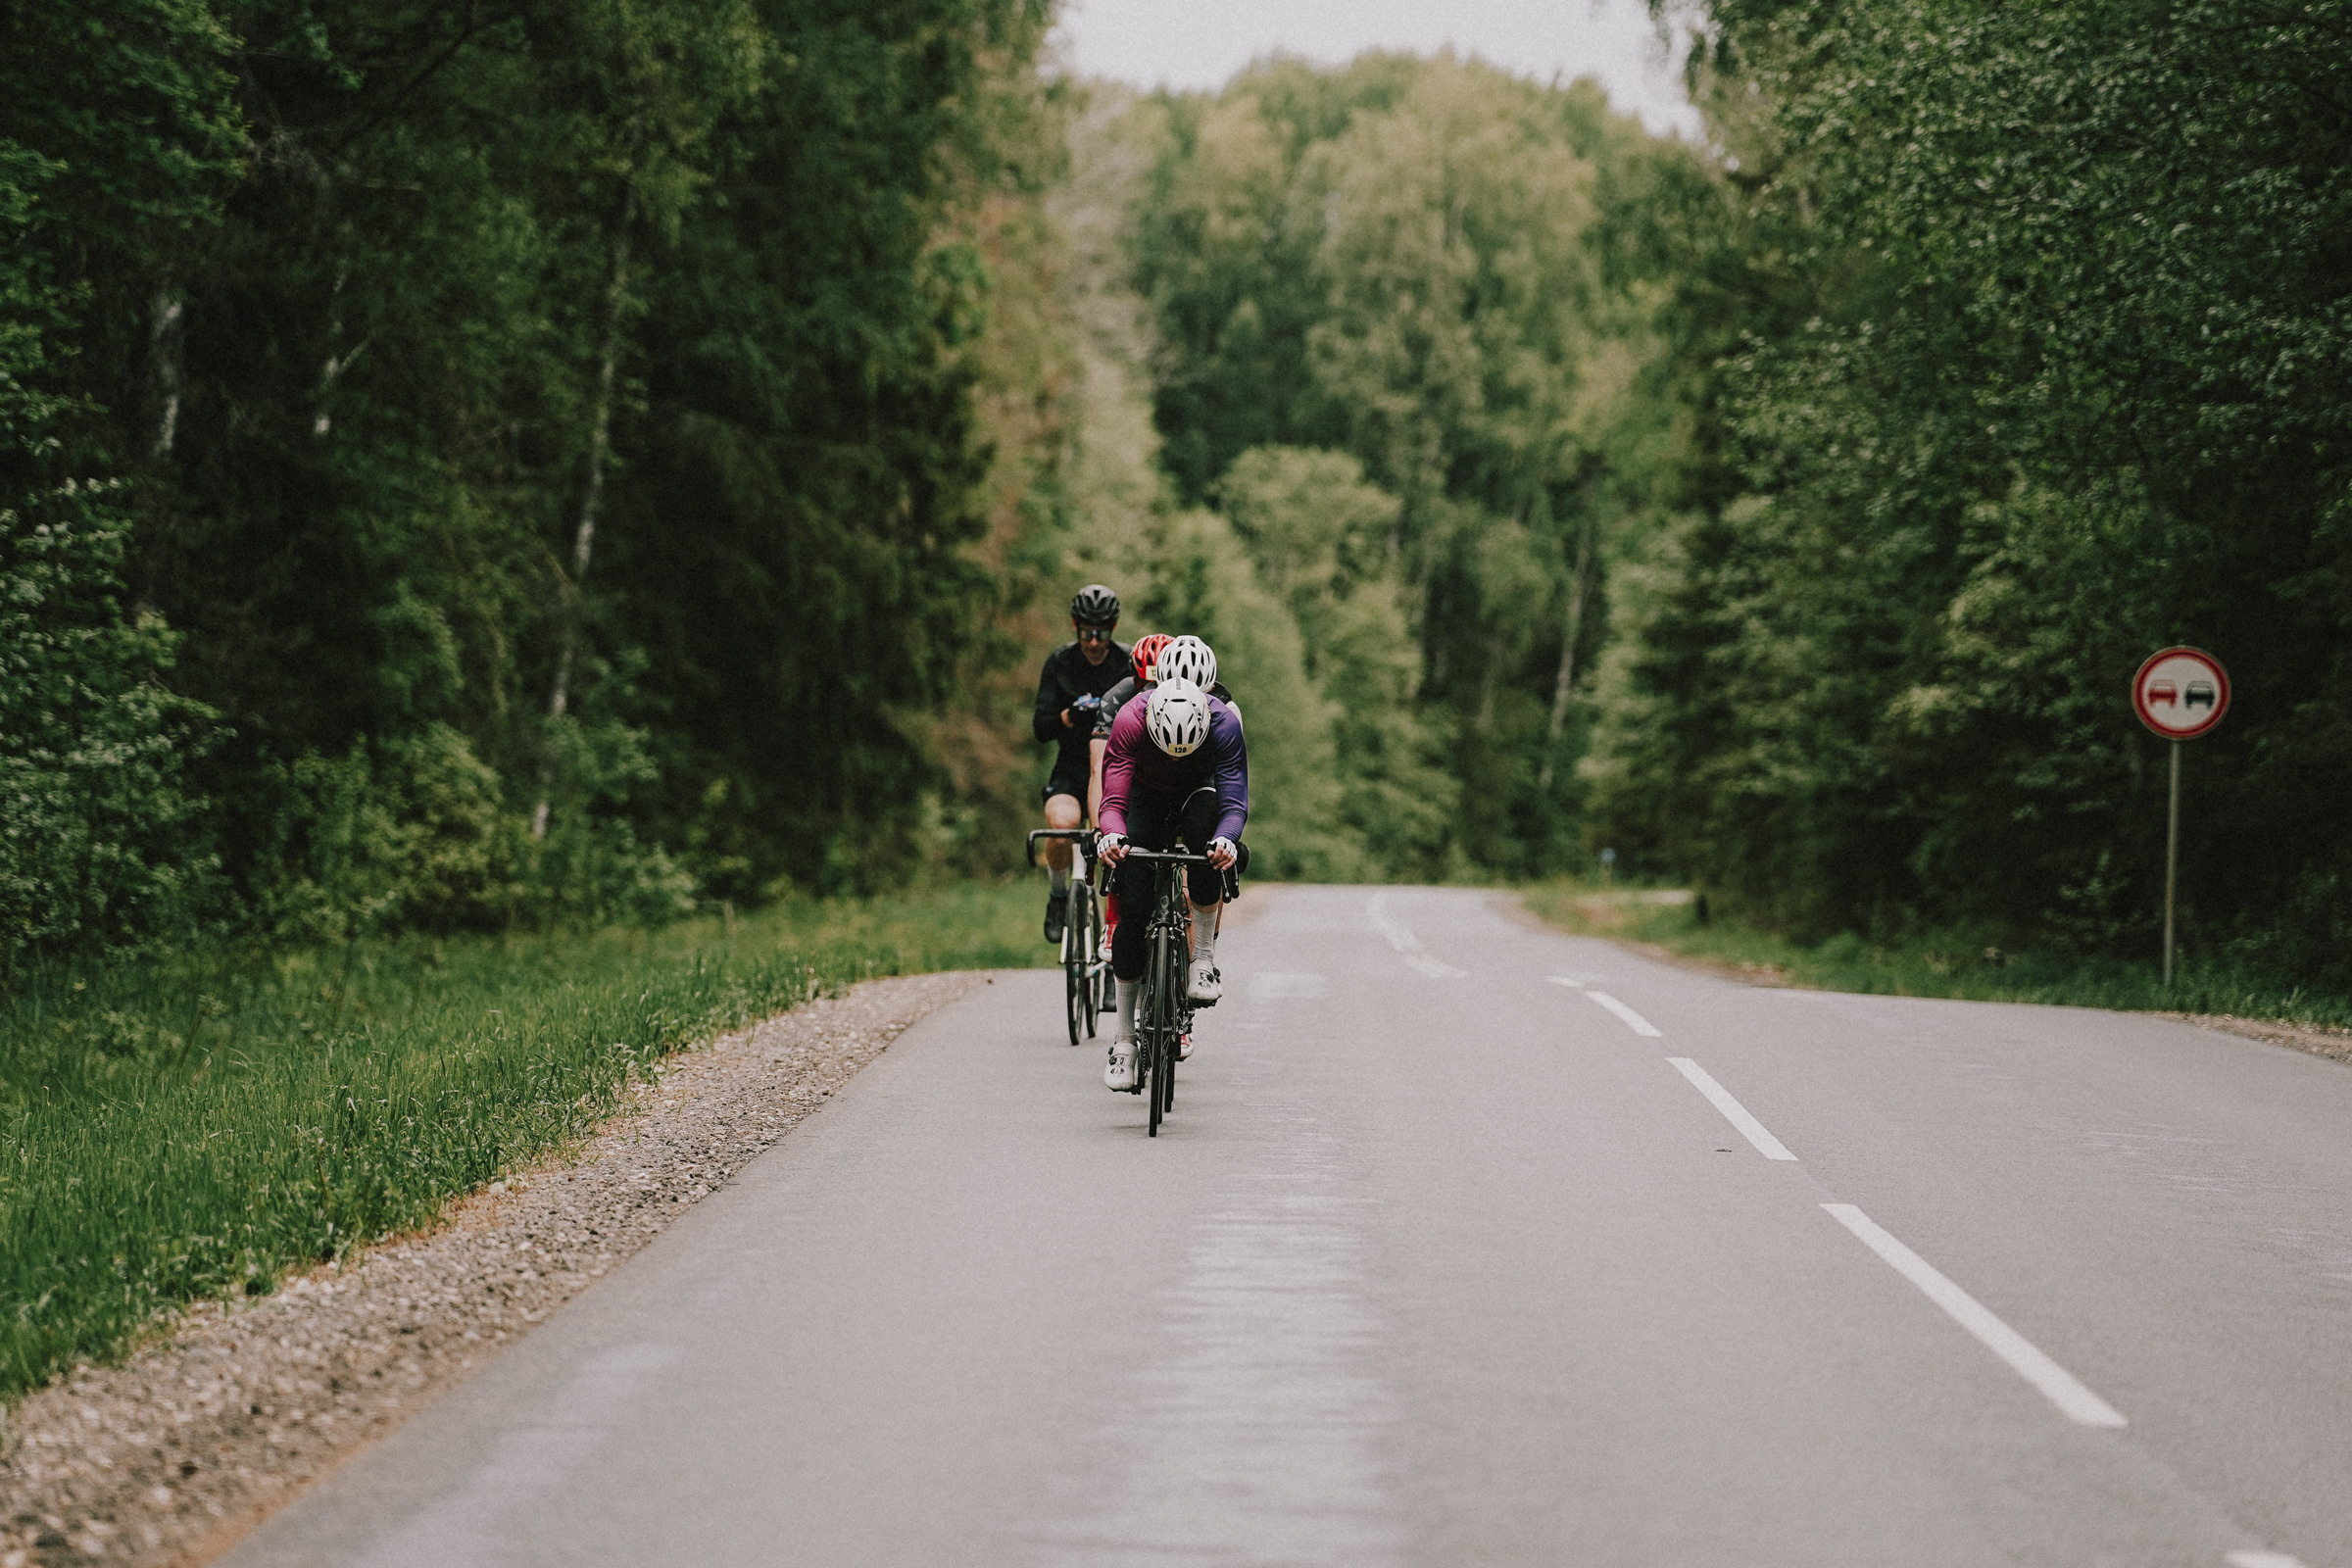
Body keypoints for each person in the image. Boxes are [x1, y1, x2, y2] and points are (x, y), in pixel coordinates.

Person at [1094, 673, 1250, 1092]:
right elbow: (1112, 802)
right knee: (1134, 906)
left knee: (1207, 843)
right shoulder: (1130, 719)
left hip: (1197, 793)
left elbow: (1234, 802)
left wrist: (1227, 840)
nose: (1177, 757)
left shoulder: (1223, 723)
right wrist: (1111, 835)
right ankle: (1124, 1041)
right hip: (1143, 795)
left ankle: (1201, 958)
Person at [1032, 584, 1129, 942]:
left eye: (1100, 633)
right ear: (1075, 626)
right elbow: (1041, 729)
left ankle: (1116, 937)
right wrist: (1068, 717)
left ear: (1112, 629)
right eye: (1086, 632)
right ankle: (1058, 896)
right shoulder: (1060, 663)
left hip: (1116, 770)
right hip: (1072, 769)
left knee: (1117, 851)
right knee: (1061, 824)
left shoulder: (1128, 662)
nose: (1093, 642)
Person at [1086, 633, 1238, 826]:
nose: (1148, 692)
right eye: (1143, 684)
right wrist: (1098, 829)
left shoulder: (1219, 706)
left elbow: (1230, 770)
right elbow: (1099, 768)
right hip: (1146, 778)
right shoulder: (1117, 700)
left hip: (1195, 778)